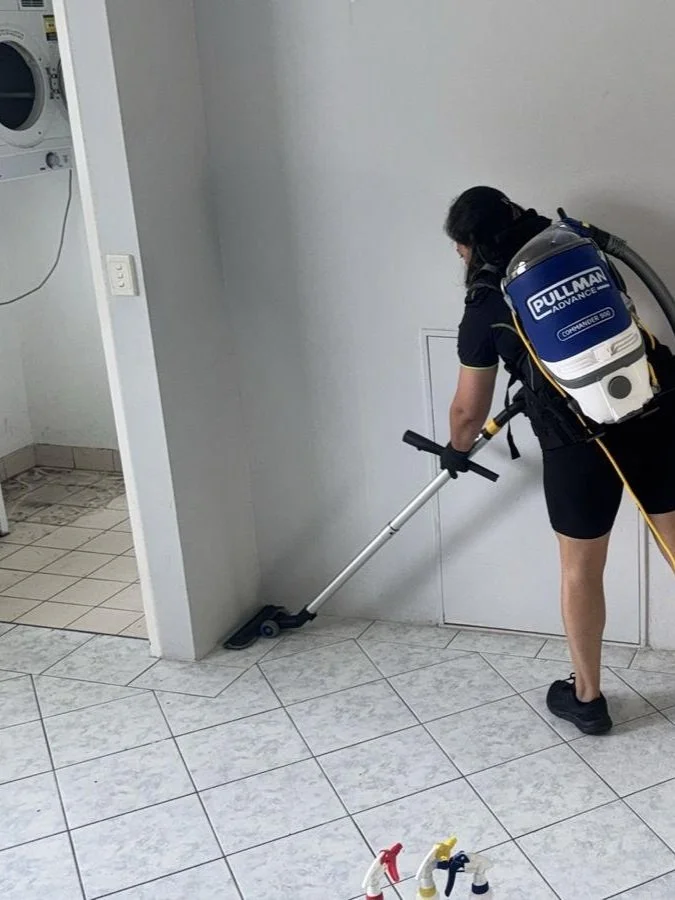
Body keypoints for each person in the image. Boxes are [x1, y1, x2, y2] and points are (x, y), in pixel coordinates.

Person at [442, 185, 675, 735]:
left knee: (581, 568)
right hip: (655, 408)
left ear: (471, 244)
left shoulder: (486, 303)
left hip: (577, 440)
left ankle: (587, 698)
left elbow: (466, 414)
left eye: (458, 246)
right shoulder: (576, 246)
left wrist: (456, 451)